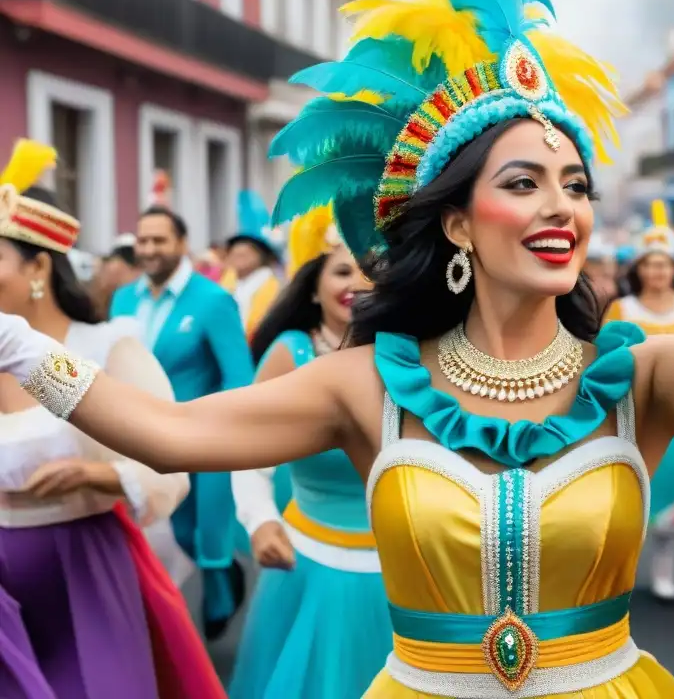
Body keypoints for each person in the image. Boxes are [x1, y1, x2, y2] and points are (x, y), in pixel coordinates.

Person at [0, 0, 674, 697]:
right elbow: (172, 435)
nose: (562, 207)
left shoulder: (635, 380)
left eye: (576, 185)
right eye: (524, 182)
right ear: (457, 223)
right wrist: (13, 344)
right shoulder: (370, 387)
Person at [0, 140, 222, 698]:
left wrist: (96, 477)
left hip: (84, 569)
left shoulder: (105, 348)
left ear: (39, 266)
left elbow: (171, 457)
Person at [230, 205, 392, 698]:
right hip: (307, 565)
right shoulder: (291, 353)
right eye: (342, 269)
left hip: (403, 571)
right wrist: (260, 520)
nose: (358, 282)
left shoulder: (411, 354)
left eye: (372, 269)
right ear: (314, 284)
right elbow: (247, 449)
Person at [109, 205, 254, 638]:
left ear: (181, 245)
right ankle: (161, 629)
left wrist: (218, 432)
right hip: (135, 437)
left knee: (197, 532)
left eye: (159, 240)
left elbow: (238, 377)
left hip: (197, 438)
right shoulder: (123, 298)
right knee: (153, 532)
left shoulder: (211, 300)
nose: (149, 249)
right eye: (143, 240)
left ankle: (222, 583)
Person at [603, 199, 674, 602]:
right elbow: (603, 361)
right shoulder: (621, 309)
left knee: (670, 508)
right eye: (649, 264)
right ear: (639, 270)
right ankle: (620, 574)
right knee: (628, 500)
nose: (656, 272)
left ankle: (664, 571)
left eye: (663, 264)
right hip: (632, 414)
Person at [220, 191, 284, 339]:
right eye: (235, 249)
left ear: (263, 255)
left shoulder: (277, 288)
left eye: (248, 249)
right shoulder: (225, 283)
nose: (240, 252)